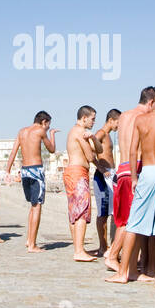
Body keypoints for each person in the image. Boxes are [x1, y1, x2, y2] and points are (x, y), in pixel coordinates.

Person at [107, 84, 155, 287]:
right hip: (154, 170)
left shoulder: (134, 118)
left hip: (135, 170)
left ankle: (126, 271)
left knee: (133, 223)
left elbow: (131, 150)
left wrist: (135, 177)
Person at [103, 87, 155, 271]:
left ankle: (135, 262)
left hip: (122, 169)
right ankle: (112, 255)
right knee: (130, 220)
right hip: (135, 169)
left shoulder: (125, 116)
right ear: (151, 102)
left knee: (127, 218)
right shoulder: (143, 118)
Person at [6, 111, 57, 253]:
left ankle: (29, 239)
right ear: (44, 122)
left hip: (25, 171)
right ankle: (32, 245)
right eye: (48, 125)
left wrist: (7, 170)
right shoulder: (40, 130)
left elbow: (13, 151)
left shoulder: (21, 131)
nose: (47, 128)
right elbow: (52, 149)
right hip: (36, 170)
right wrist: (51, 134)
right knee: (37, 206)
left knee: (32, 206)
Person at [64, 106, 99, 261]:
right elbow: (91, 156)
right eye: (92, 119)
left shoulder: (75, 131)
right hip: (78, 172)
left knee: (74, 211)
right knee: (82, 210)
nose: (93, 122)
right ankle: (79, 251)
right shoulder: (78, 131)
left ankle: (78, 248)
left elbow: (99, 147)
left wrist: (93, 138)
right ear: (84, 118)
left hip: (72, 172)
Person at [92, 109, 121, 258]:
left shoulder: (109, 136)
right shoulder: (101, 133)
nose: (119, 126)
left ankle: (107, 246)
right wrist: (100, 168)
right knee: (103, 213)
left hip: (111, 175)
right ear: (111, 120)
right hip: (103, 176)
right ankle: (103, 247)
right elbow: (90, 150)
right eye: (118, 122)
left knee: (111, 211)